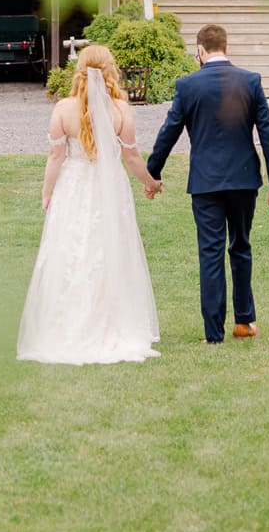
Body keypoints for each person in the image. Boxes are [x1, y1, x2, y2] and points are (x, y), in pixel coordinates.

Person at [17, 43, 162, 366]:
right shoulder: (121, 111)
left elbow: (56, 155)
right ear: (110, 71)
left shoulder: (63, 109)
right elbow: (131, 156)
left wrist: (47, 191)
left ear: (79, 71)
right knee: (110, 250)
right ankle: (111, 321)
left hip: (74, 186)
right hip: (109, 187)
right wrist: (150, 182)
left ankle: (67, 324)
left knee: (71, 250)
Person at [145, 23, 269, 345]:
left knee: (210, 252)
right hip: (243, 179)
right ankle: (244, 321)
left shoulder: (187, 85)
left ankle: (213, 333)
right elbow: (267, 134)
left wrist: (152, 173)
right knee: (240, 247)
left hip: (205, 182)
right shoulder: (250, 81)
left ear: (200, 50)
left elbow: (169, 132)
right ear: (226, 47)